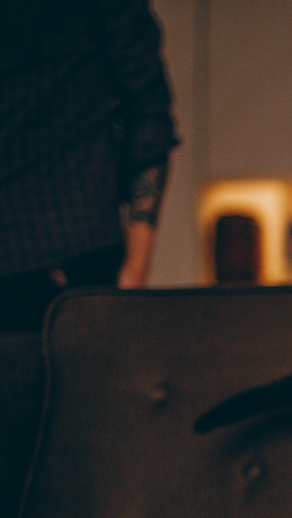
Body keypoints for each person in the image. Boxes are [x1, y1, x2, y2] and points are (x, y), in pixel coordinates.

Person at [0, 0, 178, 331]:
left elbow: (148, 114)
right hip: (63, 261)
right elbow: (148, 113)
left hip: (62, 272)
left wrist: (134, 271)